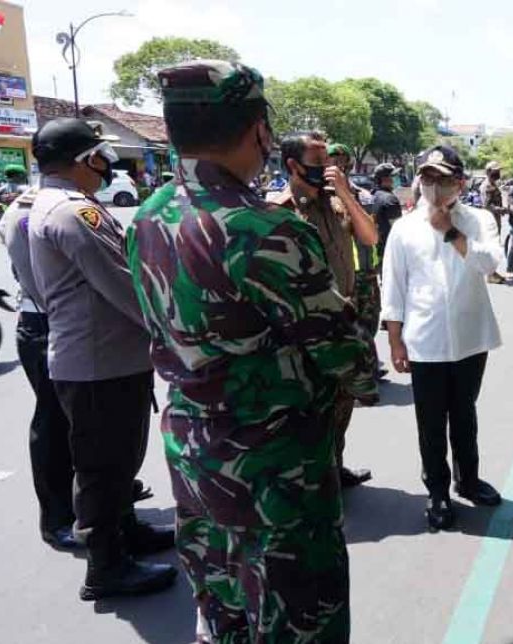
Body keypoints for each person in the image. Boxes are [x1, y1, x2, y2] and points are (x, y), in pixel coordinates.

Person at [127, 61, 376, 642]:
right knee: (299, 623)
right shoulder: (264, 230)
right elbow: (346, 357)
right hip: (275, 475)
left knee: (223, 617)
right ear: (260, 131)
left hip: (193, 458)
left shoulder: (148, 214)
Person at [26, 118, 176, 600]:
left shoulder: (51, 204)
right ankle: (106, 567)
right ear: (82, 159)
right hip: (98, 360)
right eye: (99, 156)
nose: (105, 166)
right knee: (102, 466)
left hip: (101, 356)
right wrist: (169, 330)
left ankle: (125, 534)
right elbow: (121, 281)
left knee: (117, 459)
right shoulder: (73, 212)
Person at [382, 145, 503, 531]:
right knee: (431, 421)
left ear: (460, 182)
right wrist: (395, 340)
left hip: (470, 337)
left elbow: (489, 264)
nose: (433, 186)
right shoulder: (403, 228)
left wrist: (450, 232)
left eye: (442, 178)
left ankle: (467, 479)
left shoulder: (478, 220)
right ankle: (437, 491)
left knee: (464, 413)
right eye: (427, 177)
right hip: (425, 340)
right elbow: (394, 287)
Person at [271, 130, 379, 488]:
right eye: (319, 163)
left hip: (343, 320)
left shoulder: (335, 202)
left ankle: (336, 465)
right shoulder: (277, 211)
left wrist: (345, 192)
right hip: (305, 328)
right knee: (310, 410)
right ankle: (314, 480)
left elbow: (369, 237)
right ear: (293, 165)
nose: (328, 169)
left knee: (343, 403)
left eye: (329, 162)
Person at [0, 186, 79, 551]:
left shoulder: (71, 203)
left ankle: (106, 507)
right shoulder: (30, 208)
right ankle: (58, 519)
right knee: (54, 422)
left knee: (91, 424)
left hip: (71, 323)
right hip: (48, 322)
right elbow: (37, 279)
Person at [479, 162, 508, 285]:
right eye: (495, 171)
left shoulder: (492, 184)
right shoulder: (487, 186)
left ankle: (492, 272)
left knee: (493, 246)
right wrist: (500, 209)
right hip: (490, 220)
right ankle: (490, 274)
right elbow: (487, 205)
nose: (498, 173)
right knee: (492, 247)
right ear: (489, 171)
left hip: (494, 219)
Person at [372, 162, 403, 258]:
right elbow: (398, 229)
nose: (397, 178)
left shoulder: (374, 194)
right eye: (394, 176)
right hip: (392, 250)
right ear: (384, 179)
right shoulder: (390, 199)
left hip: (380, 248)